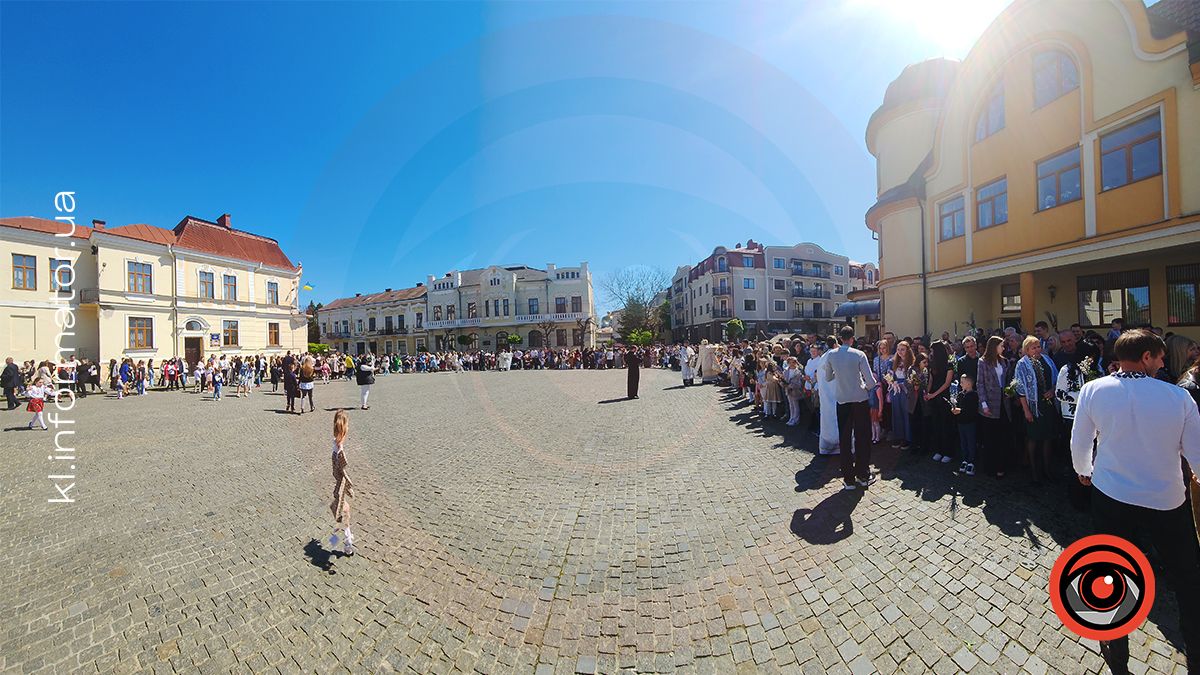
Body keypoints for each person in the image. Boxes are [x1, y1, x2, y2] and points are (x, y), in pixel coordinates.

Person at [1070, 329, 1200, 674]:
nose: (1161, 363)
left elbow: (1080, 441)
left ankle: (1117, 650)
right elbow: (1198, 458)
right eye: (1158, 357)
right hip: (1166, 498)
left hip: (1113, 494)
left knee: (1113, 570)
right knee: (1186, 578)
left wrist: (1084, 471)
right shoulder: (1178, 398)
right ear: (1146, 357)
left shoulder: (1094, 389)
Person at [823, 325, 877, 490]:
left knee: (845, 439)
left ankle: (848, 478)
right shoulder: (859, 354)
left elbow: (828, 377)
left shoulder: (831, 355)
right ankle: (862, 475)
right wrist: (866, 388)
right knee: (863, 437)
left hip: (843, 401)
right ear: (852, 338)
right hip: (859, 400)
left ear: (840, 339)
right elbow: (870, 382)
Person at [1015, 335, 1058, 485]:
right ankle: (1034, 470)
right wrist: (1026, 410)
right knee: (1033, 437)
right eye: (1034, 347)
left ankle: (1047, 469)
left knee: (1047, 437)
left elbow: (1056, 378)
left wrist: (1052, 390)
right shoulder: (1022, 364)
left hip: (1047, 404)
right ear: (1026, 350)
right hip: (1033, 405)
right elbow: (1020, 389)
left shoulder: (1047, 359)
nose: (1037, 349)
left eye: (1039, 346)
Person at [329, 410, 356, 556]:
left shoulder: (336, 443)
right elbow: (342, 471)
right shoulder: (340, 450)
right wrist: (350, 486)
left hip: (339, 484)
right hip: (340, 485)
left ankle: (345, 537)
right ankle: (347, 543)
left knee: (344, 511)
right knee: (343, 513)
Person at [951, 373, 979, 476]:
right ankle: (965, 459)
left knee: (971, 441)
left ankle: (971, 461)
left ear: (969, 383)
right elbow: (958, 405)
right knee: (963, 442)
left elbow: (971, 411)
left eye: (962, 382)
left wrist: (960, 411)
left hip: (970, 423)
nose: (961, 384)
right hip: (961, 422)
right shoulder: (960, 394)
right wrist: (954, 408)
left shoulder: (974, 395)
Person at [888, 341, 913, 449]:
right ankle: (898, 436)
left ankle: (908, 438)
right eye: (898, 350)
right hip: (895, 390)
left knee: (906, 413)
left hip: (906, 391)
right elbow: (889, 375)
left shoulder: (912, 362)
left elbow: (913, 378)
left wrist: (903, 384)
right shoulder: (893, 362)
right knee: (896, 413)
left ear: (908, 350)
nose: (900, 352)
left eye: (902, 349)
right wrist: (892, 382)